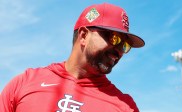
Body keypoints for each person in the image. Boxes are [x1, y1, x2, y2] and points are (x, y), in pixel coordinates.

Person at [0, 3, 145, 112]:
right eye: (114, 39)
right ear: (84, 35)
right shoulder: (25, 83)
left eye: (125, 46)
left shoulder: (124, 107)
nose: (119, 51)